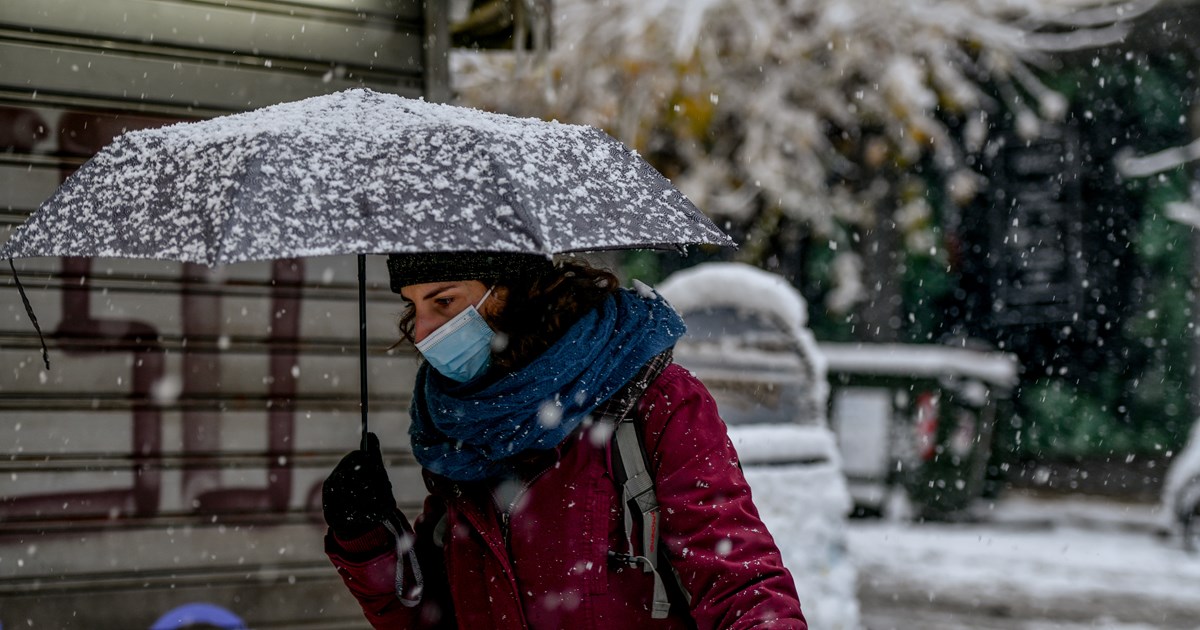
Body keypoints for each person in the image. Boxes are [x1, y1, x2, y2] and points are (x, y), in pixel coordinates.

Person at [322, 251, 807, 629]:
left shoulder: (653, 403)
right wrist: (370, 542)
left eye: (443, 301)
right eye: (413, 306)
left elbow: (738, 581)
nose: (423, 332)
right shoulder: (465, 438)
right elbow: (430, 618)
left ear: (511, 291)